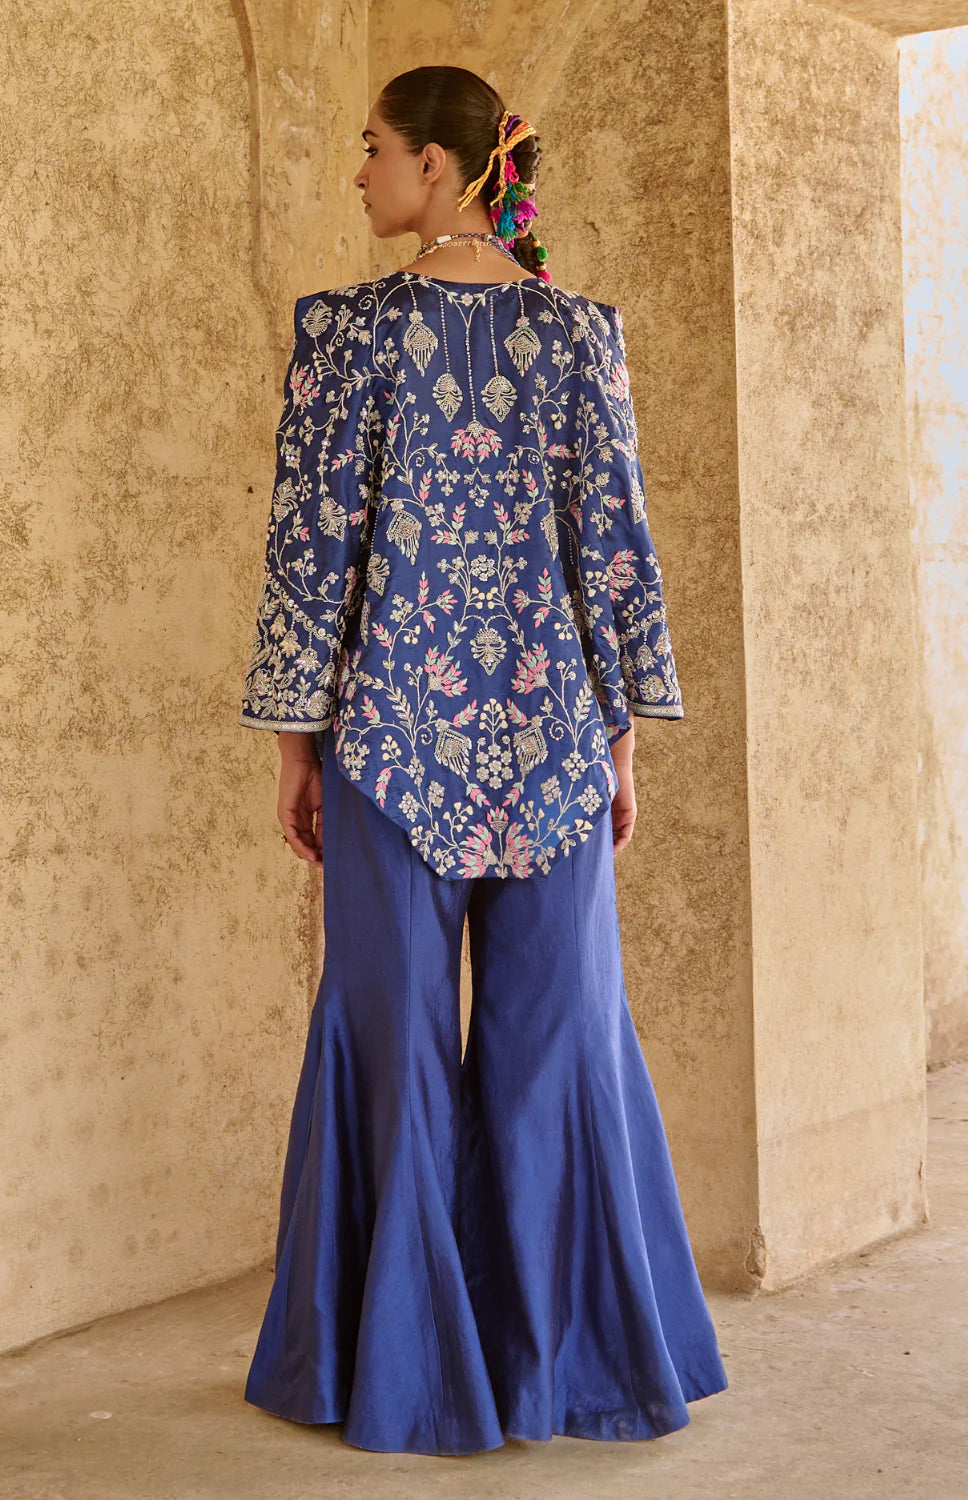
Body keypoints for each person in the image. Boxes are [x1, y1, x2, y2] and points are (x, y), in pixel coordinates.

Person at [238, 65, 728, 1456]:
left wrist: (298, 747)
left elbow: (309, 555)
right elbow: (614, 552)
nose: (361, 173)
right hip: (553, 743)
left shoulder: (344, 336)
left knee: (391, 1047)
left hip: (387, 743)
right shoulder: (581, 336)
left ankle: (390, 1377)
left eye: (375, 148)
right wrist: (620, 746)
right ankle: (560, 1374)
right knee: (554, 1047)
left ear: (439, 167)